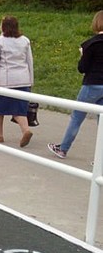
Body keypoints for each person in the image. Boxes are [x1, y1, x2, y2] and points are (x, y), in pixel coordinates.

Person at [48, 11, 103, 159]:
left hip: (92, 84)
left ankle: (63, 148)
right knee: (102, 120)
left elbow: (82, 68)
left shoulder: (90, 44)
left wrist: (82, 55)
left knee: (77, 117)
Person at [0, 15, 34, 147]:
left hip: (4, 81)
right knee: (19, 110)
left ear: (3, 26)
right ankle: (26, 130)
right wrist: (31, 81)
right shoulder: (25, 41)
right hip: (23, 79)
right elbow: (29, 61)